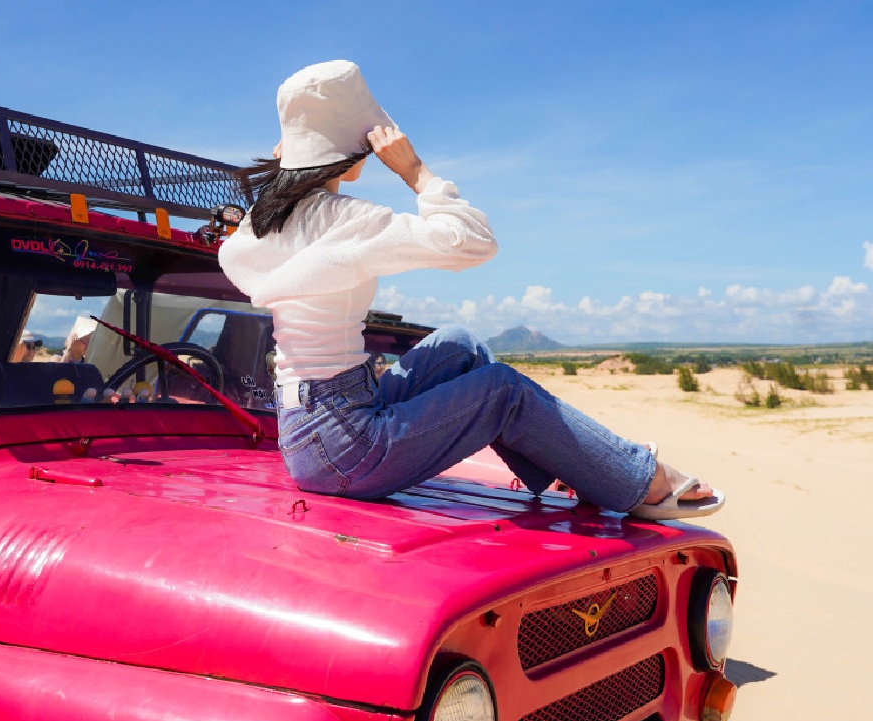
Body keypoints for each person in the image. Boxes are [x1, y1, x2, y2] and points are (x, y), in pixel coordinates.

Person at [219, 61, 723, 519]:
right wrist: (415, 172)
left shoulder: (262, 229)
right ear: (351, 154)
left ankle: (578, 467)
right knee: (501, 390)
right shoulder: (344, 221)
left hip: (311, 431)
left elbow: (238, 250)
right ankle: (639, 481)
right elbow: (476, 243)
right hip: (347, 445)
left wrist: (290, 167)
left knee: (458, 345)